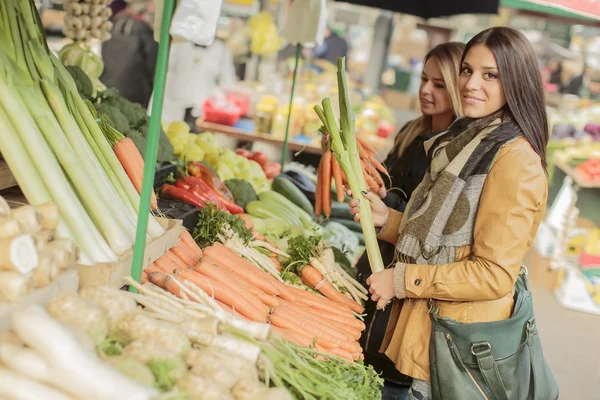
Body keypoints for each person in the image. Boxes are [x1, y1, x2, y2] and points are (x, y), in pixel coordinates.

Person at [349, 27, 549, 399]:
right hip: (427, 334)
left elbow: (493, 275)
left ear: (516, 83)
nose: (472, 83)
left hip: (456, 350)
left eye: (491, 74)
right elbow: (444, 239)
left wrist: (401, 280)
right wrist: (387, 221)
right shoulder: (464, 141)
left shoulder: (515, 160)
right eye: (467, 70)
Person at [351, 42, 465, 398]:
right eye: (423, 79)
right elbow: (382, 186)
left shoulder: (457, 152)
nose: (426, 90)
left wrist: (390, 215)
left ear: (459, 89)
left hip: (408, 279)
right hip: (376, 262)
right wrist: (349, 160)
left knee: (390, 367)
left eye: (439, 83)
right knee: (360, 349)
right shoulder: (411, 132)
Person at [100, 0, 158, 107]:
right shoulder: (143, 30)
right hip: (134, 95)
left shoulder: (114, 22)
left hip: (107, 88)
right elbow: (155, 65)